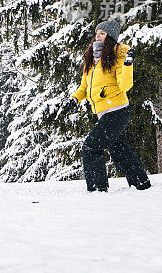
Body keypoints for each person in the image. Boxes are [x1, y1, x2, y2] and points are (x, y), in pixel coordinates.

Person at [62, 18, 151, 192]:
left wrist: (127, 65)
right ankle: (141, 183)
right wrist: (74, 99)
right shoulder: (91, 58)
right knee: (120, 151)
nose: (98, 36)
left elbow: (125, 86)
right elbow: (84, 87)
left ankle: (97, 189)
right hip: (105, 113)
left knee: (91, 146)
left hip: (117, 111)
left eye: (102, 33)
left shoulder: (119, 56)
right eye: (97, 33)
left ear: (110, 37)